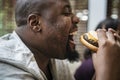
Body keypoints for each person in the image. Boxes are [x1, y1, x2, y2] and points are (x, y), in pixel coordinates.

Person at [0, 0, 120, 80]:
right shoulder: (7, 68)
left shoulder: (54, 58)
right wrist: (108, 74)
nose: (77, 19)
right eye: (67, 12)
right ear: (35, 23)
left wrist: (106, 66)